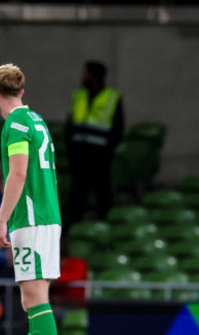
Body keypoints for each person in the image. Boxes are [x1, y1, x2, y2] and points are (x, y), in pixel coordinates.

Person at [0, 64, 62, 335]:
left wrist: (1, 219)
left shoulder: (15, 123)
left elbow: (17, 175)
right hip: (46, 215)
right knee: (32, 298)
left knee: (35, 298)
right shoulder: (36, 120)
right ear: (22, 90)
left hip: (31, 218)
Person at [65, 60, 124, 224]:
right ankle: (75, 226)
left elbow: (118, 128)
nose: (83, 77)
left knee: (102, 191)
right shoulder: (80, 95)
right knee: (78, 192)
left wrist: (108, 149)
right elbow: (70, 125)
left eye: (87, 74)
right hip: (79, 154)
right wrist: (71, 148)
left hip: (100, 156)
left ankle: (104, 225)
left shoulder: (112, 97)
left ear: (95, 76)